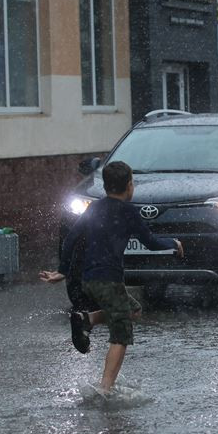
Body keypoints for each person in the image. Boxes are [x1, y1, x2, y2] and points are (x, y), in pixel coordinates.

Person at [39, 161, 183, 394]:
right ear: (129, 186)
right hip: (109, 281)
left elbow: (70, 239)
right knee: (121, 334)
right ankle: (105, 389)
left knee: (132, 311)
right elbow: (151, 242)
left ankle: (88, 320)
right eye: (132, 183)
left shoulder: (94, 208)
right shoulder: (128, 212)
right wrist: (174, 244)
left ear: (105, 186)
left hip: (89, 279)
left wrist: (63, 271)